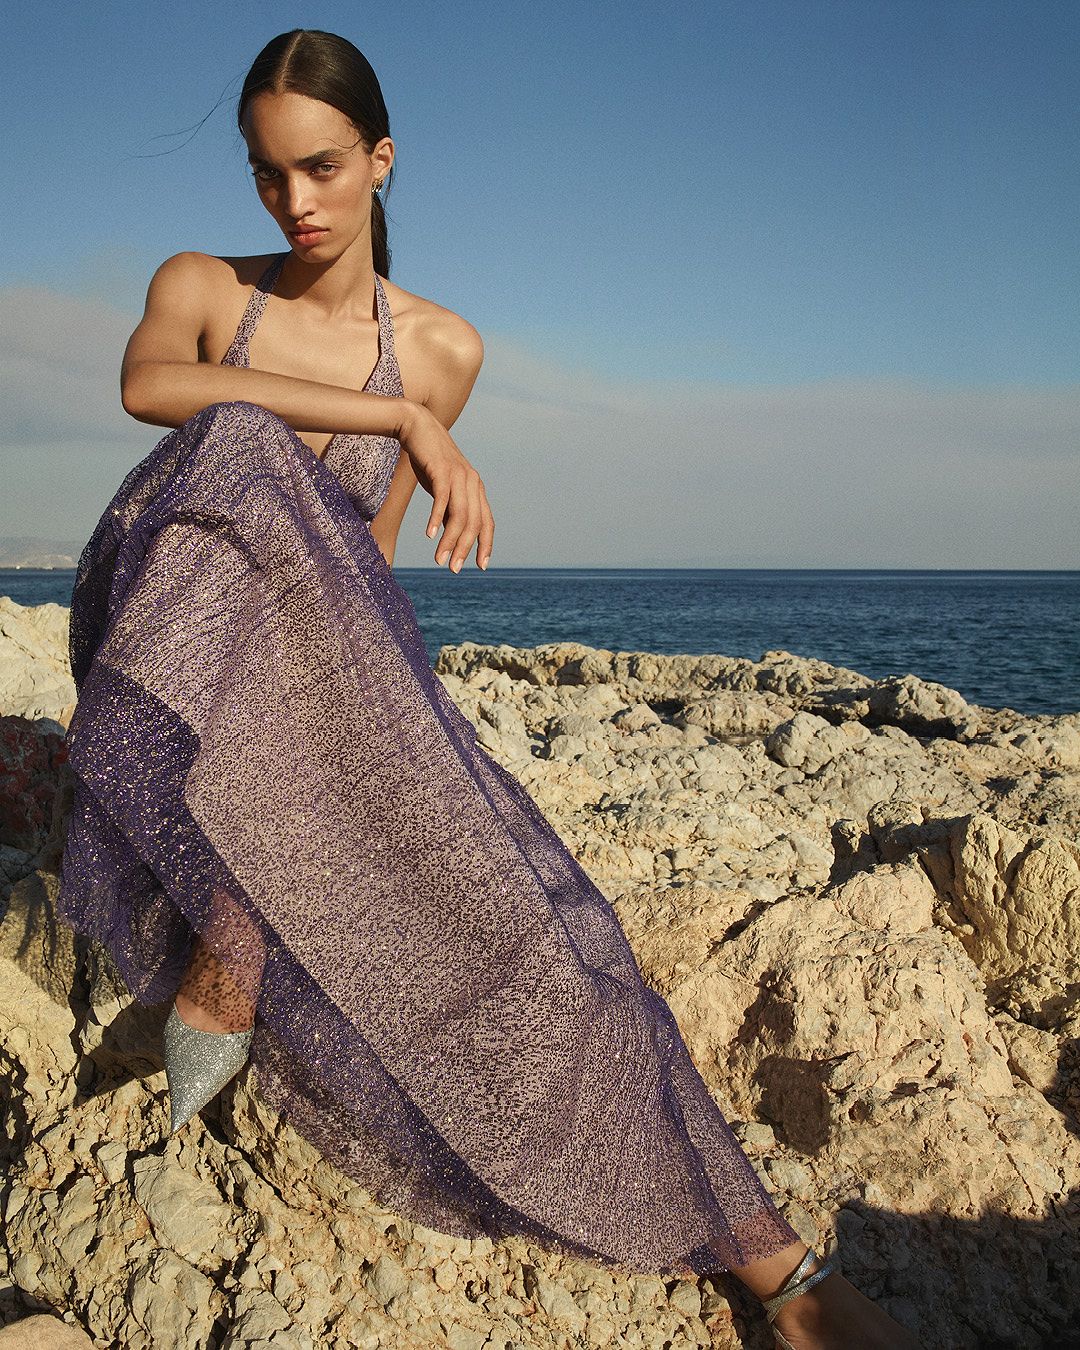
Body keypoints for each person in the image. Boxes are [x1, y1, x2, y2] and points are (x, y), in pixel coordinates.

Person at [55, 29, 920, 1350]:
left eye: (324, 167)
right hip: (165, 656)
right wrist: (397, 420)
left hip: (301, 677)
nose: (296, 202)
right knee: (235, 447)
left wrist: (394, 748)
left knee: (535, 927)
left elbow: (361, 568)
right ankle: (230, 945)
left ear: (382, 159)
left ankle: (776, 1265)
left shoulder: (442, 347)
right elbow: (146, 388)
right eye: (271, 174)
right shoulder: (203, 289)